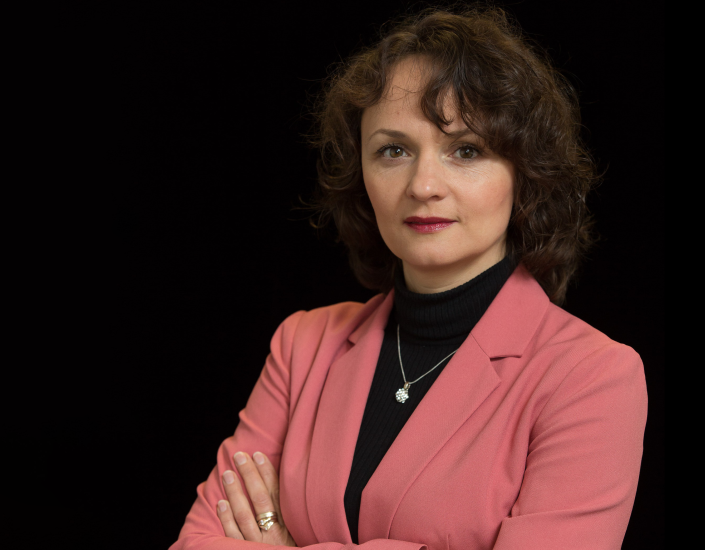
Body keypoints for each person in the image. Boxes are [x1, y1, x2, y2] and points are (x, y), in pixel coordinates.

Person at [171, 7, 647, 550]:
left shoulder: (591, 377)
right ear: (362, 176)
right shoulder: (302, 346)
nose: (423, 184)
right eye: (393, 150)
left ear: (526, 174)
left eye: (466, 150)